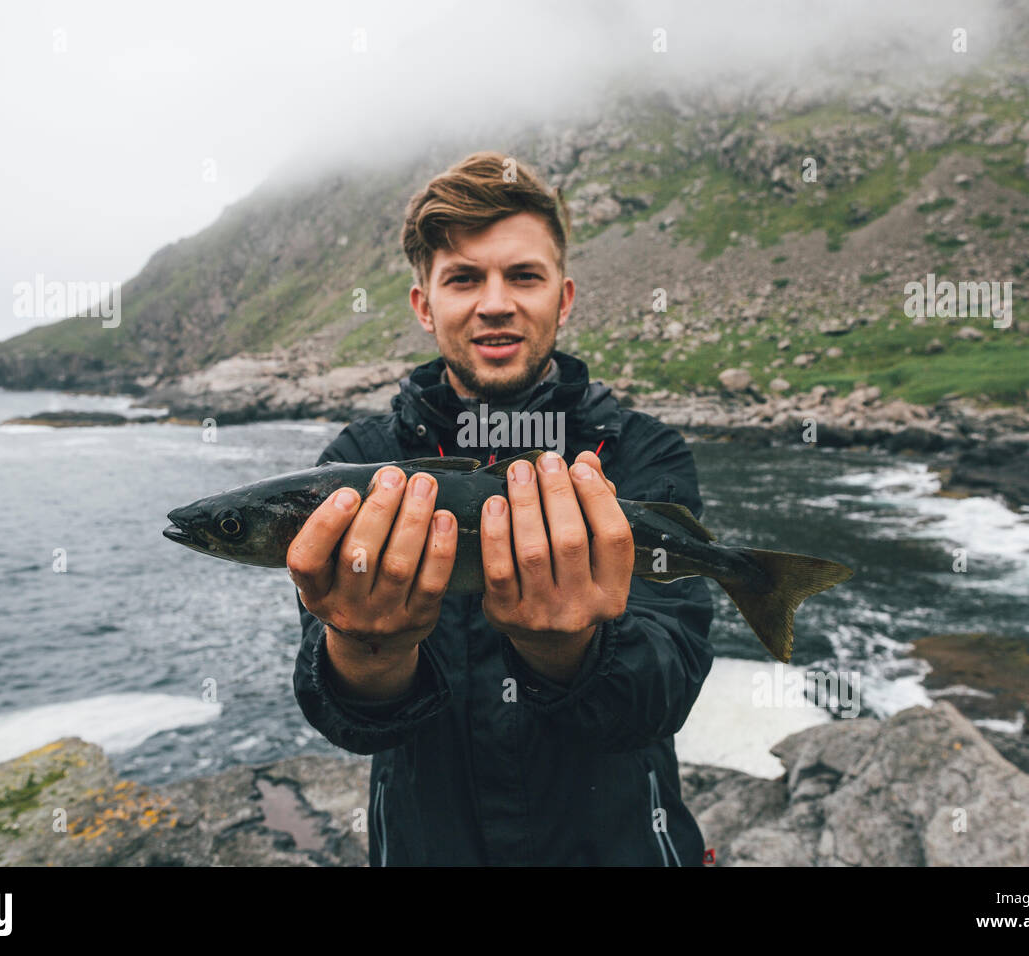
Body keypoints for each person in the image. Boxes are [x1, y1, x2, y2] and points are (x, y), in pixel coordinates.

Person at [289, 151, 715, 865]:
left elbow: (667, 690)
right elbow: (349, 718)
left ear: (564, 298)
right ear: (425, 306)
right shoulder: (351, 467)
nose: (495, 302)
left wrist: (571, 650)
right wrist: (371, 651)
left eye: (523, 275)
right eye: (463, 278)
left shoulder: (646, 454)